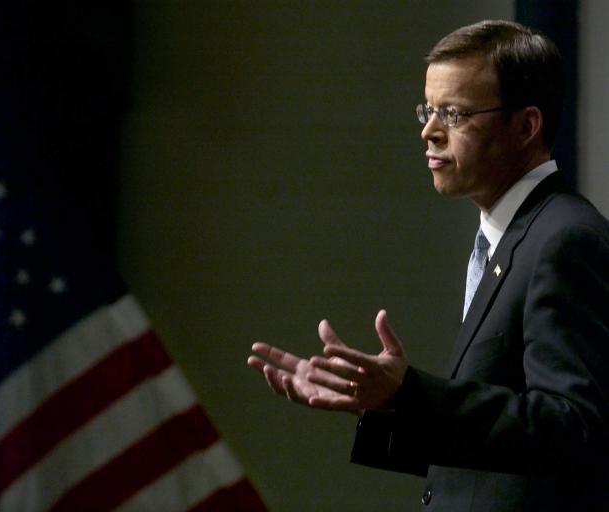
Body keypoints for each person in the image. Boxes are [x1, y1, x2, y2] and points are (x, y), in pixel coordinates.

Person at [247, 20, 609, 511]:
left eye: (454, 114)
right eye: (429, 109)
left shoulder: (565, 239)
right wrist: (386, 403)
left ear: (525, 126)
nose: (429, 131)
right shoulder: (504, 235)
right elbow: (496, 447)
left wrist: (410, 396)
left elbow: (576, 428)